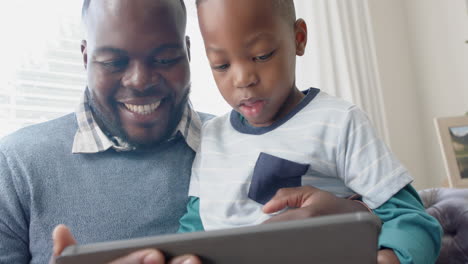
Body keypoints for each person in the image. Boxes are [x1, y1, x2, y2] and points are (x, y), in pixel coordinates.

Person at [0, 0, 370, 264]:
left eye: (164, 59)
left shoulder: (259, 139)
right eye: (113, 62)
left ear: (189, 53)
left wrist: (354, 217)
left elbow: (392, 219)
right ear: (85, 59)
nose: (140, 81)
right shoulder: (15, 165)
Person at [178, 0, 442, 263]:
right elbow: (192, 232)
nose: (242, 79)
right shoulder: (210, 137)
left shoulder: (339, 121)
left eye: (262, 55)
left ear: (298, 39)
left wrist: (390, 259)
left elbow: (410, 219)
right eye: (222, 65)